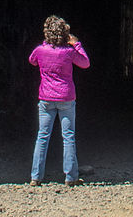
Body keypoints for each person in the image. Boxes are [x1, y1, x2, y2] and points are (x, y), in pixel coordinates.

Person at [28, 15, 90, 186]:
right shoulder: (69, 52)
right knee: (68, 137)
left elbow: (32, 61)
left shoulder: (40, 50)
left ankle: (36, 176)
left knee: (42, 136)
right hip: (66, 98)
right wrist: (76, 43)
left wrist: (45, 46)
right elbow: (85, 63)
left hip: (46, 98)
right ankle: (71, 177)